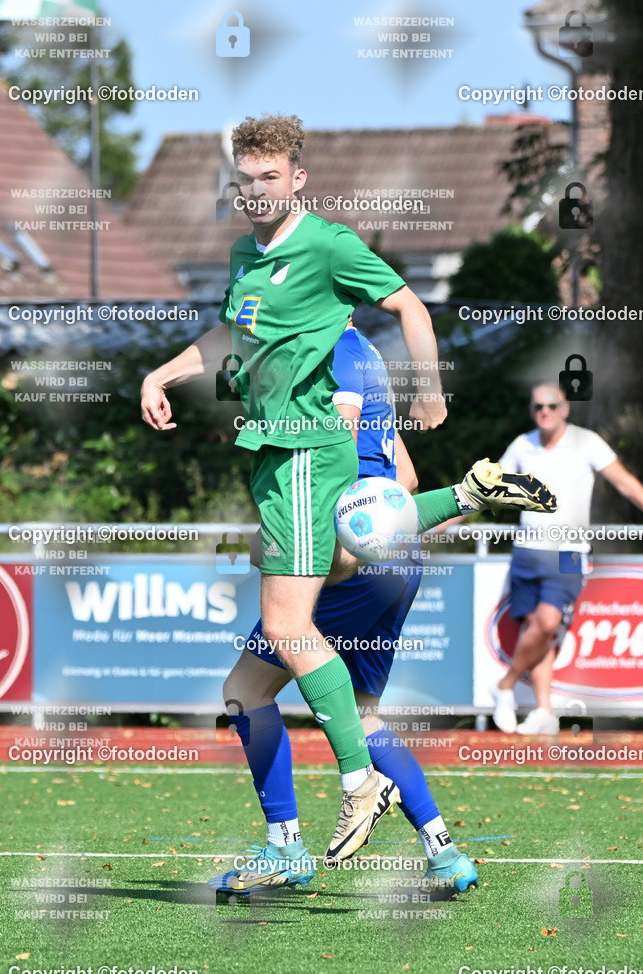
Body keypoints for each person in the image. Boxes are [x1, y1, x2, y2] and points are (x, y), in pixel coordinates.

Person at [141, 113, 552, 866]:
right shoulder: (242, 256)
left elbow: (409, 305)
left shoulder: (327, 246)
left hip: (304, 456)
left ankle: (359, 781)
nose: (258, 191)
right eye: (246, 179)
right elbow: (231, 338)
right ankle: (288, 846)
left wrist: (428, 392)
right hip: (272, 460)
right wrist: (162, 372)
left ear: (297, 179)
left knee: (292, 625)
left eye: (272, 177)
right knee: (247, 685)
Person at [208, 324, 555, 899]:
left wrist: (305, 546)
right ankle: (445, 854)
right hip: (398, 557)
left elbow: (332, 463)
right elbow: (407, 477)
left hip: (349, 558)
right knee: (362, 713)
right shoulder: (364, 352)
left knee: (246, 689)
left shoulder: (327, 352)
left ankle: (287, 846)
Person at [492, 381, 643, 735]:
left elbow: (625, 483)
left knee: (548, 622)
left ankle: (505, 685)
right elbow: (486, 489)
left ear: (566, 408)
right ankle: (543, 709)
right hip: (527, 551)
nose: (545, 412)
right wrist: (438, 521)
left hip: (568, 554)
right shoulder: (522, 445)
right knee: (534, 627)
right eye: (538, 406)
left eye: (552, 406)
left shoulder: (587, 442)